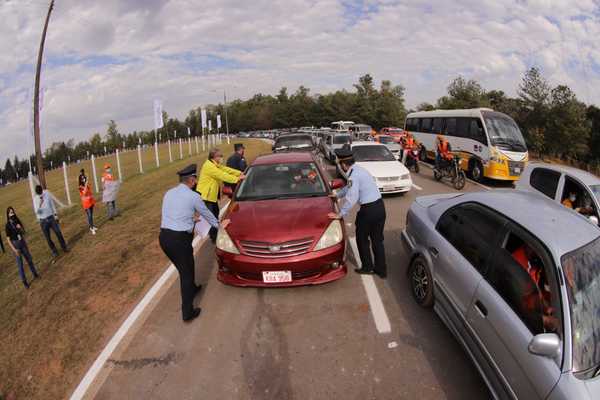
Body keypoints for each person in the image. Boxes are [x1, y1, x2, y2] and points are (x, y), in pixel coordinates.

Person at [159, 164, 229, 322]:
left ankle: (192, 288)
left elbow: (172, 214)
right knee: (186, 274)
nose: (196, 181)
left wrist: (190, 219)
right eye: (195, 178)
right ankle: (187, 312)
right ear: (191, 180)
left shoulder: (169, 193)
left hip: (164, 238)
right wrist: (220, 226)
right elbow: (207, 213)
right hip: (179, 240)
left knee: (185, 268)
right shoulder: (194, 196)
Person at [329, 146, 387, 278]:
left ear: (343, 164)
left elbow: (351, 197)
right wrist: (337, 195)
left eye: (339, 163)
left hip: (368, 211)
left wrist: (340, 214)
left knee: (362, 239)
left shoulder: (353, 175)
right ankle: (381, 270)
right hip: (379, 207)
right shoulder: (358, 170)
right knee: (377, 240)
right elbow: (348, 188)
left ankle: (367, 267)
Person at [197, 148, 244, 242]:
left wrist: (239, 173)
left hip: (211, 196)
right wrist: (237, 179)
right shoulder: (209, 167)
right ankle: (214, 237)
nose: (222, 158)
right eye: (220, 156)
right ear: (214, 157)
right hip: (206, 197)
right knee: (211, 217)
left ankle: (215, 233)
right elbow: (222, 175)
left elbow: (226, 169)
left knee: (215, 214)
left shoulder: (215, 164)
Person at [5, 207, 39, 289]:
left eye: (13, 212)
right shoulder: (8, 225)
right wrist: (14, 250)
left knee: (29, 259)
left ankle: (35, 274)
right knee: (20, 265)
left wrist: (20, 228)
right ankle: (24, 281)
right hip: (16, 245)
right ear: (8, 215)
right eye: (10, 213)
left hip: (22, 242)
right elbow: (8, 240)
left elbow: (24, 233)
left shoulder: (17, 221)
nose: (12, 214)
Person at [35, 184, 69, 258]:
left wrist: (55, 215)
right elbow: (38, 213)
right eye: (39, 194)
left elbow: (52, 204)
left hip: (51, 218)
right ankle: (54, 251)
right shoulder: (35, 199)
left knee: (58, 233)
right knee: (48, 238)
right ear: (37, 193)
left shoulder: (46, 193)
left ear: (42, 190)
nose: (41, 194)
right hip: (43, 221)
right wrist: (40, 204)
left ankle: (64, 247)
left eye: (41, 193)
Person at [78, 169, 97, 234]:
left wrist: (92, 200)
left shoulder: (87, 185)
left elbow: (89, 192)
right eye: (82, 178)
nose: (84, 179)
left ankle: (92, 226)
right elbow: (84, 193)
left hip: (90, 201)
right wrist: (86, 184)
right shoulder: (80, 187)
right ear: (80, 180)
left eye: (84, 178)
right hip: (86, 203)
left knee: (91, 214)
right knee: (89, 215)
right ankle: (91, 228)